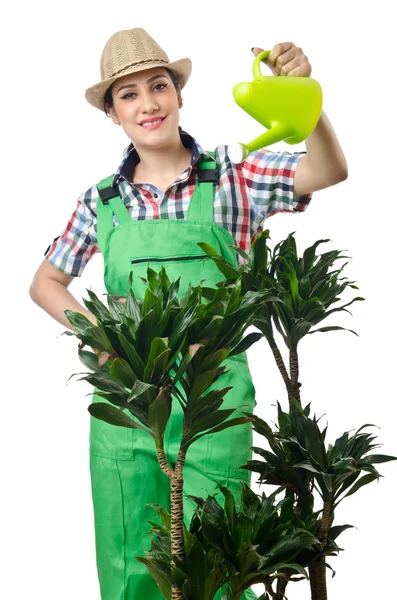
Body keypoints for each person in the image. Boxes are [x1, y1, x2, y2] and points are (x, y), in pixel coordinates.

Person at [29, 27, 348, 600]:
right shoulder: (103, 201)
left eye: (158, 86)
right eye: (127, 95)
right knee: (130, 549)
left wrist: (307, 99)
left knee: (218, 548)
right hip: (129, 400)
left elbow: (327, 171)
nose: (147, 103)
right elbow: (47, 282)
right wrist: (98, 336)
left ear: (179, 95)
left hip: (214, 393)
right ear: (113, 114)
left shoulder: (232, 175)